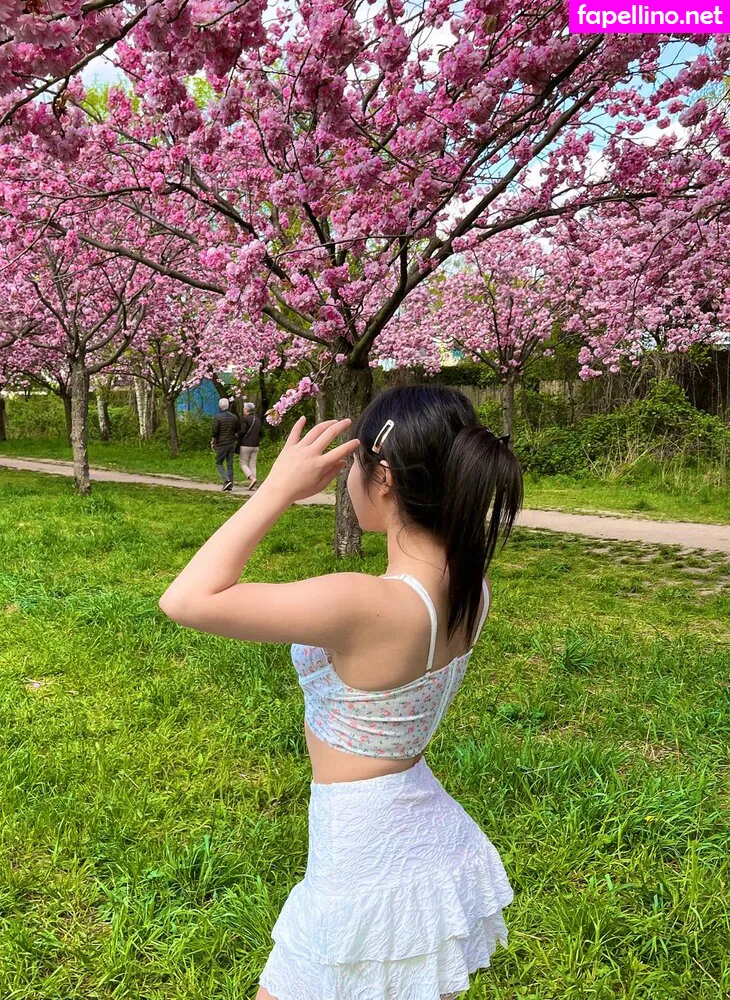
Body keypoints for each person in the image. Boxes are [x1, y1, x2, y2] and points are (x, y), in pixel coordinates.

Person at [159, 385, 523, 1000]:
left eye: (356, 463)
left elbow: (186, 599)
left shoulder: (365, 601)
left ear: (383, 478)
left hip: (362, 845)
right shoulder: (470, 582)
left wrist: (276, 490)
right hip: (418, 819)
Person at [210, 397, 240, 492]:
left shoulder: (218, 418)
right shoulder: (234, 417)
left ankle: (226, 480)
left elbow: (215, 431)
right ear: (228, 405)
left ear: (220, 406)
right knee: (230, 464)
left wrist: (213, 441)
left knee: (219, 462)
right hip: (231, 443)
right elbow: (237, 430)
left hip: (222, 443)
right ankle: (230, 484)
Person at [238, 401, 261, 490]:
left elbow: (243, 431)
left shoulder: (245, 419)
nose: (243, 410)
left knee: (243, 463)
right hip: (256, 445)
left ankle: (251, 478)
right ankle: (253, 482)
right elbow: (261, 433)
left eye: (244, 408)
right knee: (253, 464)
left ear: (247, 410)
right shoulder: (258, 420)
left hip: (246, 444)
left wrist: (236, 435)